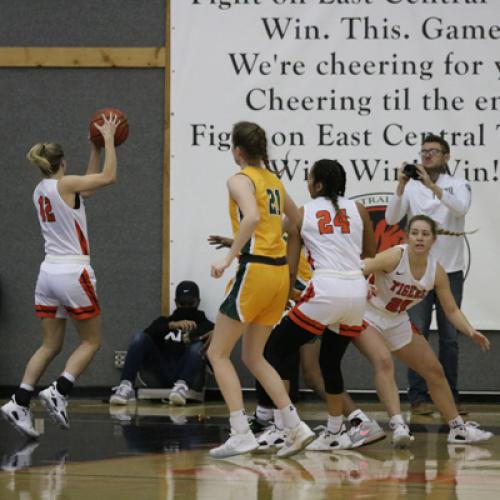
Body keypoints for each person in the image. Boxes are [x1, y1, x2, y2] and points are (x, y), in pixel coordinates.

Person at [1, 113, 120, 437]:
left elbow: (89, 189)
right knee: (92, 340)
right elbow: (108, 178)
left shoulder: (41, 189)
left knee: (50, 344)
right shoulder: (66, 184)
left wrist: (94, 149)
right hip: (73, 271)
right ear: (63, 162)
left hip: (48, 273)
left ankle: (19, 400)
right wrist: (109, 138)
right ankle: (59, 390)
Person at [253, 158, 379, 453]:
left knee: (273, 350)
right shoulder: (358, 210)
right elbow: (371, 255)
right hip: (356, 291)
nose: (307, 184)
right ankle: (335, 432)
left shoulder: (302, 213)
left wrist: (282, 297)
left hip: (325, 289)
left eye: (309, 179)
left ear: (318, 184)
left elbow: (290, 268)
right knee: (330, 362)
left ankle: (285, 429)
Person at [206, 121, 314, 459]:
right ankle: (296, 427)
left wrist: (228, 257)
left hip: (254, 270)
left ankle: (240, 432)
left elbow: (251, 217)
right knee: (254, 356)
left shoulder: (239, 179)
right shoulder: (274, 181)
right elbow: (297, 220)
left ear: (237, 150)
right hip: (279, 275)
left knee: (217, 353)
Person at [361, 214, 492, 444]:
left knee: (435, 371)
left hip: (396, 319)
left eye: (425, 234)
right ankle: (399, 425)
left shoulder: (436, 271)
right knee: (383, 362)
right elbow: (362, 267)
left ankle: (457, 429)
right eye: (415, 233)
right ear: (407, 236)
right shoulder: (395, 256)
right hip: (368, 314)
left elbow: (451, 310)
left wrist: (471, 331)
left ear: (433, 240)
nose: (419, 238)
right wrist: (363, 285)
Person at [385, 134, 472, 415]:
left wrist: (433, 187)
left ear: (447, 156)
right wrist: (400, 186)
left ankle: (450, 396)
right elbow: (389, 218)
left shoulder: (457, 185)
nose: (427, 156)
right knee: (416, 335)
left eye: (433, 152)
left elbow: (461, 208)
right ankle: (419, 398)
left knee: (449, 338)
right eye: (423, 152)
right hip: (418, 273)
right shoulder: (410, 187)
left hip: (450, 271)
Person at [109, 280, 213, 406]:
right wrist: (171, 325)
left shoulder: (206, 325)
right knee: (139, 337)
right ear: (176, 302)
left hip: (189, 375)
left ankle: (181, 386)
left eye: (190, 303)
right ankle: (126, 385)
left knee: (198, 346)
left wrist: (193, 335)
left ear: (197, 302)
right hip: (161, 371)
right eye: (182, 303)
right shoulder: (163, 322)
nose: (186, 307)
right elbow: (145, 337)